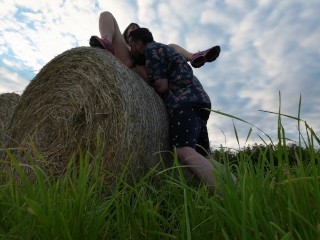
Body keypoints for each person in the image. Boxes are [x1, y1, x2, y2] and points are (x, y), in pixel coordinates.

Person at [128, 27, 218, 191]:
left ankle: (231, 195)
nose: (131, 50)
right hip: (200, 101)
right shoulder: (167, 49)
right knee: (204, 156)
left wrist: (140, 74)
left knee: (183, 150)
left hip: (184, 102)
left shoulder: (151, 50)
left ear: (140, 43)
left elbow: (161, 86)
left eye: (131, 44)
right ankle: (238, 188)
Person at [89, 11, 220, 76]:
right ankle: (106, 42)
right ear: (126, 33)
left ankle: (193, 57)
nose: (134, 31)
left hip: (147, 68)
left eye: (137, 29)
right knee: (106, 14)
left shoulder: (148, 45)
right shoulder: (123, 44)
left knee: (171, 46)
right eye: (131, 29)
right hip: (127, 63)